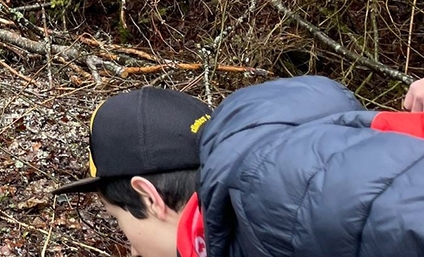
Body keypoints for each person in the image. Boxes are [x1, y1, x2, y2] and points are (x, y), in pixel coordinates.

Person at [54, 76, 424, 257]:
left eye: (121, 223)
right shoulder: (246, 215)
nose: (132, 251)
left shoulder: (275, 194)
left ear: (149, 198)